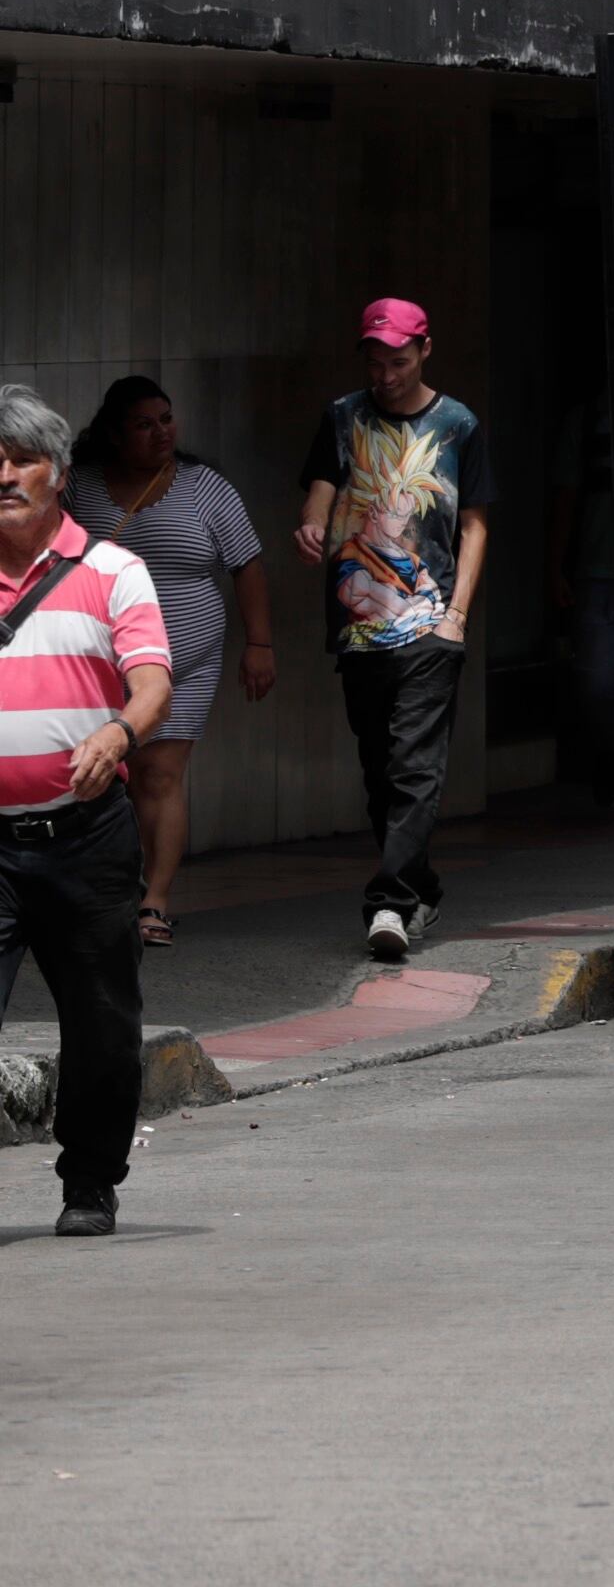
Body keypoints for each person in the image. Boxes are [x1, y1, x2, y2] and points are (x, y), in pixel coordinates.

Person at [0, 385, 175, 1238]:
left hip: (85, 838)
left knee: (104, 1024)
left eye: (22, 457)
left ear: (59, 474)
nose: (4, 473)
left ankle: (91, 1181)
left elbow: (153, 684)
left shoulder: (113, 572)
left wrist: (117, 732)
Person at [294, 300, 495, 963]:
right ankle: (422, 883)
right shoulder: (343, 415)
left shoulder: (458, 424)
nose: (385, 374)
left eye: (399, 361)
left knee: (415, 766)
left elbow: (473, 525)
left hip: (429, 626)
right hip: (359, 629)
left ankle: (389, 904)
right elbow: (323, 484)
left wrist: (457, 615)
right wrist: (313, 522)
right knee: (381, 771)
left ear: (425, 350)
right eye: (375, 362)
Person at [66, 378, 273, 947]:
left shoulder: (206, 488)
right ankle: (98, 894)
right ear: (114, 433)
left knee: (158, 775)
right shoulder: (77, 488)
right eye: (144, 424)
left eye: (166, 419)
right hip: (96, 660)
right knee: (101, 776)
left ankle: (153, 902)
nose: (161, 432)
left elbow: (248, 565)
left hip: (186, 659)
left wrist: (260, 645)